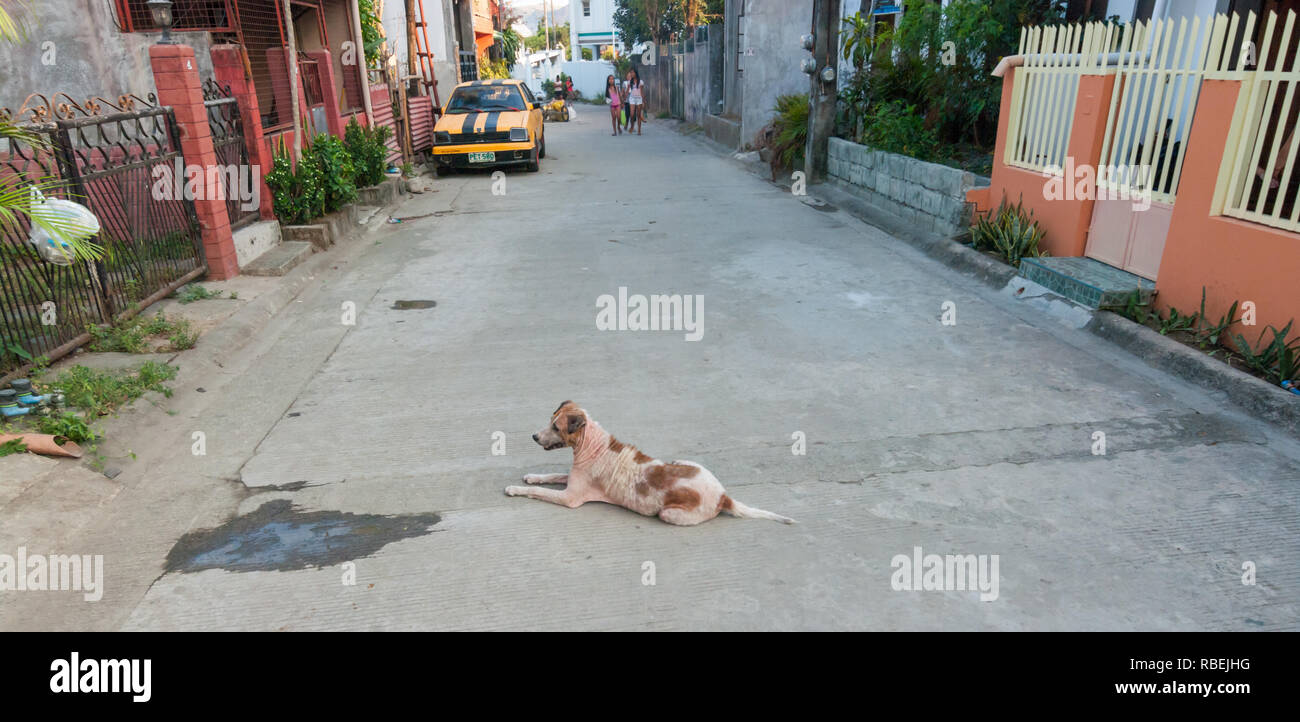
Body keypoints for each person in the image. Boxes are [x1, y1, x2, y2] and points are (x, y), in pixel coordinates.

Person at [625, 68, 644, 135]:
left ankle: (639, 130)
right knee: (632, 114)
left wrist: (643, 101)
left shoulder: (641, 82)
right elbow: (627, 91)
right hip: (632, 98)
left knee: (638, 115)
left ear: (636, 73)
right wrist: (624, 98)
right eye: (631, 73)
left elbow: (642, 92)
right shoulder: (630, 82)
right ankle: (632, 126)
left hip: (639, 99)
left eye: (633, 72)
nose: (631, 74)